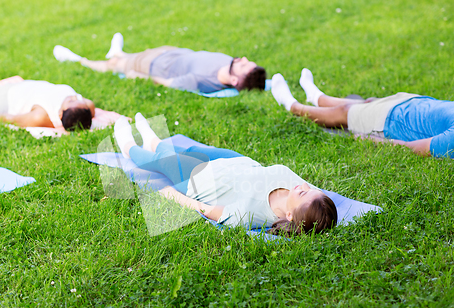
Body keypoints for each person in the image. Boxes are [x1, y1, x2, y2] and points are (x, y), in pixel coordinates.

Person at [113, 113, 337, 236]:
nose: (302, 187)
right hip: (234, 161)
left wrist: (174, 196)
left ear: (289, 215)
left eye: (302, 194)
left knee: (161, 160)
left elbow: (208, 211)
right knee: (187, 150)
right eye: (309, 189)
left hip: (199, 181)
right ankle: (155, 140)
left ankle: (129, 146)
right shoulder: (304, 195)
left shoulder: (251, 215)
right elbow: (316, 200)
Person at [271, 68, 454, 158]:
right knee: (367, 103)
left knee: (345, 112)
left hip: (391, 122)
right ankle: (318, 97)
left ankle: (292, 105)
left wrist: (373, 141)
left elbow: (412, 148)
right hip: (410, 103)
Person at [53, 32, 267, 93]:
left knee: (113, 66)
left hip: (153, 66)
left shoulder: (201, 81)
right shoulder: (229, 65)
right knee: (125, 57)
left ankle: (78, 60)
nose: (243, 59)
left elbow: (167, 84)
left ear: (233, 78)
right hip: (170, 53)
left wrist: (141, 77)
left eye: (243, 65)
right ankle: (118, 52)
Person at [0, 62, 95, 131]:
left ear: (60, 114)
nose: (76, 97)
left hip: (7, 98)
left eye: (71, 100)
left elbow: (13, 119)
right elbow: (88, 107)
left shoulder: (41, 116)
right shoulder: (84, 107)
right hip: (24, 87)